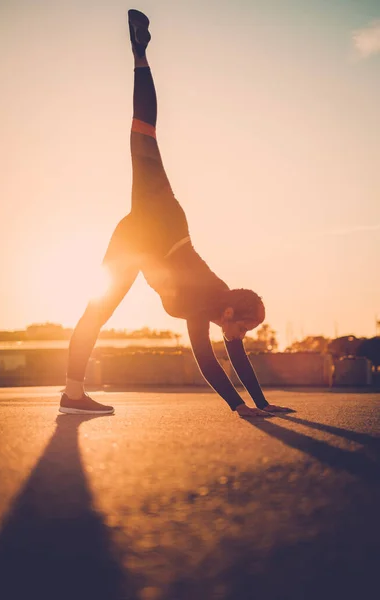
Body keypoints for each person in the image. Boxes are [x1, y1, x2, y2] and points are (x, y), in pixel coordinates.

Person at [59, 9, 294, 418]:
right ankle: (140, 52)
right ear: (230, 314)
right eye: (244, 329)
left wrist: (260, 404)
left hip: (135, 241)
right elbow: (209, 358)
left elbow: (228, 358)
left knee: (97, 310)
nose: (241, 338)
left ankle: (72, 395)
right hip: (161, 218)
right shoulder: (208, 294)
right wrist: (241, 407)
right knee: (144, 130)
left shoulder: (214, 310)